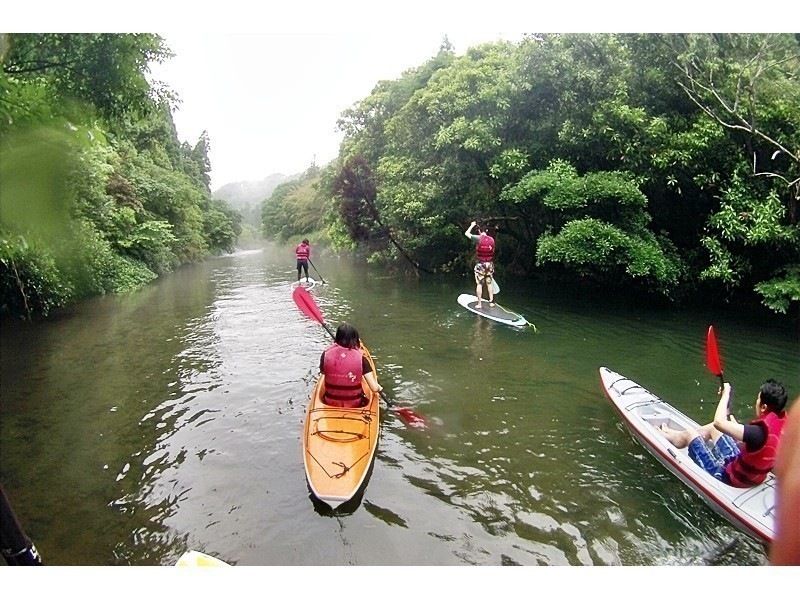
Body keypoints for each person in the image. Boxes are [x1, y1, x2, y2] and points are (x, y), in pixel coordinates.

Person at [658, 379, 788, 487]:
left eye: (758, 399)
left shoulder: (757, 432)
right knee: (713, 429)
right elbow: (760, 449)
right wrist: (736, 427)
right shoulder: (782, 427)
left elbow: (719, 422)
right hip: (753, 478)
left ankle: (676, 438)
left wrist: (726, 394)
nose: (756, 402)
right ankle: (676, 435)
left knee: (691, 433)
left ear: (764, 407)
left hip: (730, 479)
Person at [319, 323, 382, 408]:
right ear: (354, 339)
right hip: (354, 404)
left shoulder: (325, 354)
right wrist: (379, 388)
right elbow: (374, 388)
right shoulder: (362, 358)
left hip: (330, 402)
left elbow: (324, 374)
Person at [770, 395, 800, 565]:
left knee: (710, 431)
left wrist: (726, 395)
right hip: (756, 474)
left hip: (737, 477)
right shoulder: (781, 423)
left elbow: (719, 423)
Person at [464, 221, 495, 309]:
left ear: (480, 231)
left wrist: (471, 225)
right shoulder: (492, 239)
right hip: (490, 264)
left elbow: (466, 233)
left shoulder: (478, 238)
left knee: (479, 284)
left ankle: (479, 304)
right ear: (487, 231)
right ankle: (491, 302)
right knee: (489, 283)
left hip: (481, 265)